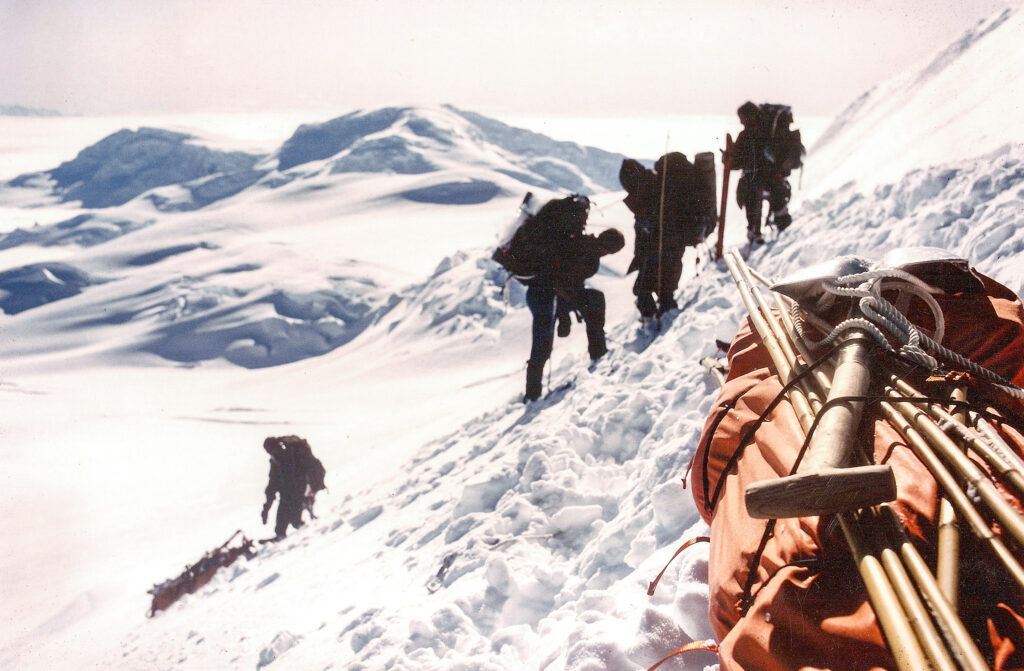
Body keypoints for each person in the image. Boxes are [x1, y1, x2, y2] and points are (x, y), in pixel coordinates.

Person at [524, 220, 624, 402]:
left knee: (594, 300)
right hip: (544, 296)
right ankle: (532, 395)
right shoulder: (588, 253)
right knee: (542, 345)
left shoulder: (583, 245)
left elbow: (567, 285)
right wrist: (565, 318)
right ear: (608, 249)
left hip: (540, 294)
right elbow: (561, 284)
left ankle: (598, 352)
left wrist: (565, 318)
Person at [619, 154, 691, 320]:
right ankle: (660, 317)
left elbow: (666, 221)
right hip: (664, 249)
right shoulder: (651, 186)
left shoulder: (656, 188)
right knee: (658, 289)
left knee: (651, 289)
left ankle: (657, 320)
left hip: (664, 248)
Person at [731, 101, 796, 244]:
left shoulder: (747, 135)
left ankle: (755, 231)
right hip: (773, 177)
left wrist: (729, 158)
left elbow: (736, 161)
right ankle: (782, 226)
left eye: (743, 118)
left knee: (751, 195)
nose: (741, 122)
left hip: (757, 178)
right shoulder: (769, 131)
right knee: (775, 195)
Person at [260, 435, 326, 540]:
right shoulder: (276, 461)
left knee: (293, 518)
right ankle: (281, 535)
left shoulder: (292, 454)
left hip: (301, 490)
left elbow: (304, 474)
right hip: (289, 493)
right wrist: (266, 508)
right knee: (284, 515)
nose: (271, 453)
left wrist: (307, 492)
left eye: (271, 450)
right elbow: (272, 485)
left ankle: (309, 533)